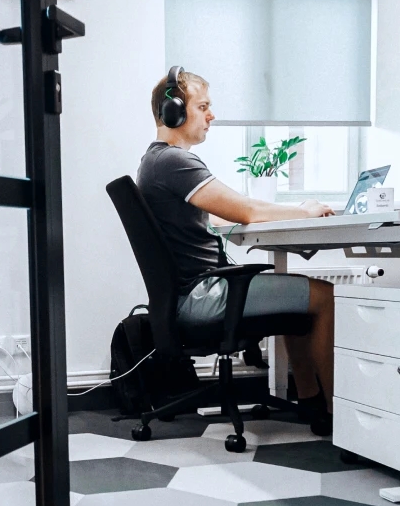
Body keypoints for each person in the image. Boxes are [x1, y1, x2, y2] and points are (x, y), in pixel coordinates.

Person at [136, 69, 336, 434]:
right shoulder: (174, 162)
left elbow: (228, 209)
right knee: (323, 296)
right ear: (173, 112)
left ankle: (310, 401)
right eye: (203, 107)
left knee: (293, 296)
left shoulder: (155, 162)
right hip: (202, 296)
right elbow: (246, 210)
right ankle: (337, 411)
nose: (211, 115)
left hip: (188, 294)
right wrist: (303, 211)